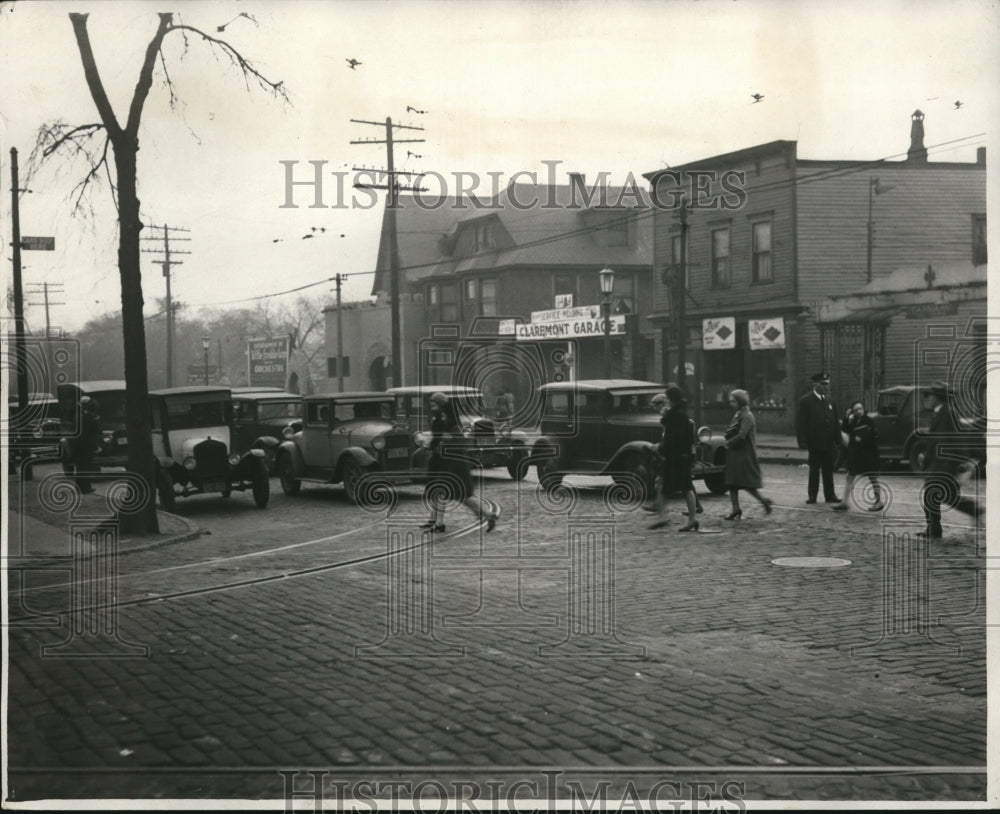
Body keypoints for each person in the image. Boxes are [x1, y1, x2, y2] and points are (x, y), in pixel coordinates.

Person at [421, 391, 499, 533]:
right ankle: (488, 515)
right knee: (462, 497)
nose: (432, 408)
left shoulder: (451, 422)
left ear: (442, 406)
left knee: (448, 493)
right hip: (448, 462)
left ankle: (439, 524)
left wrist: (447, 439)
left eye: (434, 405)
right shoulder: (440, 419)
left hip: (454, 464)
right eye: (431, 405)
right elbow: (437, 438)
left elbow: (458, 440)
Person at [920, 381, 982, 539]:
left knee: (932, 496)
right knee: (948, 497)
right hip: (937, 464)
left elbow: (957, 438)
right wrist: (926, 459)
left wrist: (963, 463)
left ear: (938, 397)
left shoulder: (949, 413)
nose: (927, 398)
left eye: (930, 395)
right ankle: (974, 510)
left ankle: (934, 531)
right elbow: (934, 442)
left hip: (945, 464)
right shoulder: (939, 412)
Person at [648, 385, 701, 532]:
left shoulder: (677, 415)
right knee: (665, 484)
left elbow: (675, 439)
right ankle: (666, 517)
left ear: (671, 399)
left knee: (683, 487)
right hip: (678, 456)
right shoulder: (677, 413)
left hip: (677, 457)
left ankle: (689, 519)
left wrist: (660, 447)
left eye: (667, 398)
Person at [722, 389, 773, 519]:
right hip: (736, 452)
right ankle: (735, 508)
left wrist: (728, 442)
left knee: (746, 483)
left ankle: (764, 502)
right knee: (732, 482)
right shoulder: (738, 414)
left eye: (733, 401)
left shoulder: (747, 416)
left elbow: (742, 435)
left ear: (740, 401)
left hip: (745, 454)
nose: (731, 404)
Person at [796, 372, 843, 504]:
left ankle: (830, 495)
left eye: (827, 384)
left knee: (828, 470)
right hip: (815, 442)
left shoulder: (830, 401)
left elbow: (835, 423)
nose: (826, 387)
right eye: (823, 384)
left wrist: (838, 440)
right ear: (815, 384)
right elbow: (800, 423)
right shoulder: (805, 401)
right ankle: (812, 495)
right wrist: (802, 441)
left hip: (828, 443)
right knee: (814, 470)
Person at [833, 401, 884, 512]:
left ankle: (878, 501)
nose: (859, 411)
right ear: (853, 412)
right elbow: (845, 429)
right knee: (850, 476)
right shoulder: (853, 421)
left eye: (860, 408)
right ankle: (844, 502)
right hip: (856, 455)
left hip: (868, 454)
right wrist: (846, 418)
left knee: (873, 478)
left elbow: (874, 436)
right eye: (856, 410)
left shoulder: (868, 421)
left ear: (863, 409)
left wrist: (862, 439)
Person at [71, 396, 102, 494]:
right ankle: (85, 487)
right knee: (86, 466)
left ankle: (80, 487)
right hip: (87, 445)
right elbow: (96, 430)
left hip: (78, 445)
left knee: (80, 467)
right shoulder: (89, 417)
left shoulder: (77, 416)